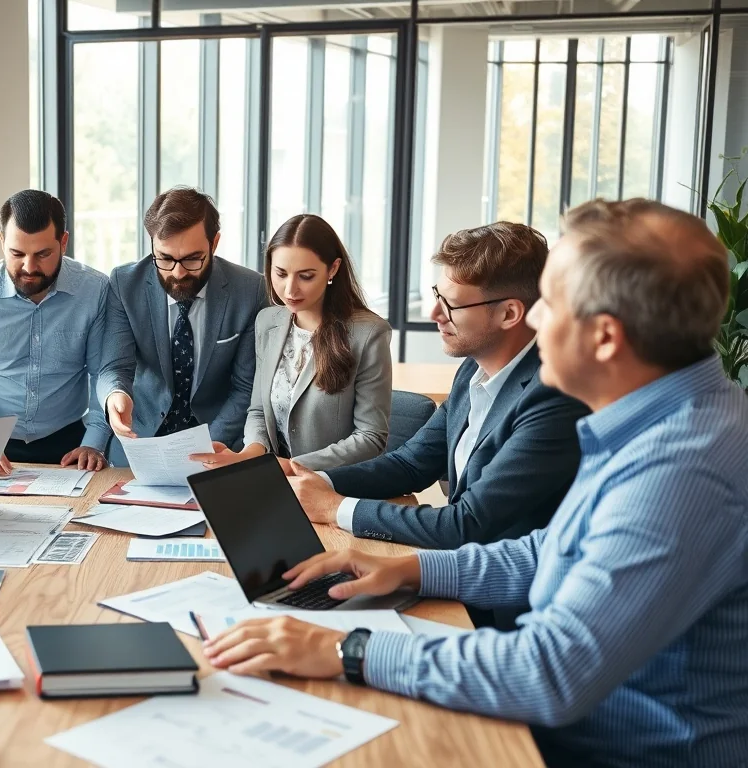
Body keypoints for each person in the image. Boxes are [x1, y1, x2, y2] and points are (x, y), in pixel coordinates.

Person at [202, 199, 748, 767]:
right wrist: (414, 568)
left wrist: (341, 648)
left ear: (605, 338)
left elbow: (549, 672)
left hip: (616, 749)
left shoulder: (684, 467)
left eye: (551, 306)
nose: (534, 321)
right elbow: (554, 550)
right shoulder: (662, 418)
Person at [288, 222, 587, 551]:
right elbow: (410, 464)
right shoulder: (474, 367)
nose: (434, 313)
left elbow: (467, 524)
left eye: (451, 304)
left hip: (500, 591)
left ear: (509, 313)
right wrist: (317, 483)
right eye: (436, 295)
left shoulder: (553, 399)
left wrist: (334, 507)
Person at [190, 214, 392, 472]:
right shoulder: (268, 321)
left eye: (306, 276)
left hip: (332, 486)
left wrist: (290, 466)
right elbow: (258, 411)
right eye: (281, 274)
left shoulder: (368, 333)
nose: (289, 290)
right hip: (271, 481)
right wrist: (250, 454)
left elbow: (370, 437)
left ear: (333, 269)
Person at [0, 190, 111, 475]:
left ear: (63, 242)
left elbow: (103, 372)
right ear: (2, 241)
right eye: (17, 253)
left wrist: (95, 442)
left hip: (71, 444)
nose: (29, 267)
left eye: (43, 254)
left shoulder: (96, 290)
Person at [97, 187, 268, 466]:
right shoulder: (124, 284)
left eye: (191, 259)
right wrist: (116, 394)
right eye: (164, 258)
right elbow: (114, 367)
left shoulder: (250, 291)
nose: (177, 273)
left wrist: (207, 449)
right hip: (140, 445)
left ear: (214, 243)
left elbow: (245, 388)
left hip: (218, 445)